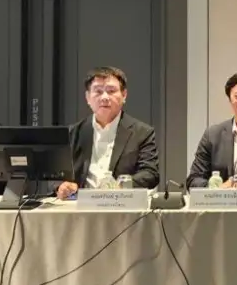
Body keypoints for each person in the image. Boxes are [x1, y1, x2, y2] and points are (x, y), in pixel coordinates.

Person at [56, 67, 160, 199]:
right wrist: (61, 186)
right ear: (87, 97)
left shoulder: (142, 133)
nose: (104, 97)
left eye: (111, 91)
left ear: (124, 95)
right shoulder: (72, 133)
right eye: (98, 91)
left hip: (121, 203)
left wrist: (121, 186)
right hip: (79, 205)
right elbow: (55, 174)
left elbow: (150, 174)